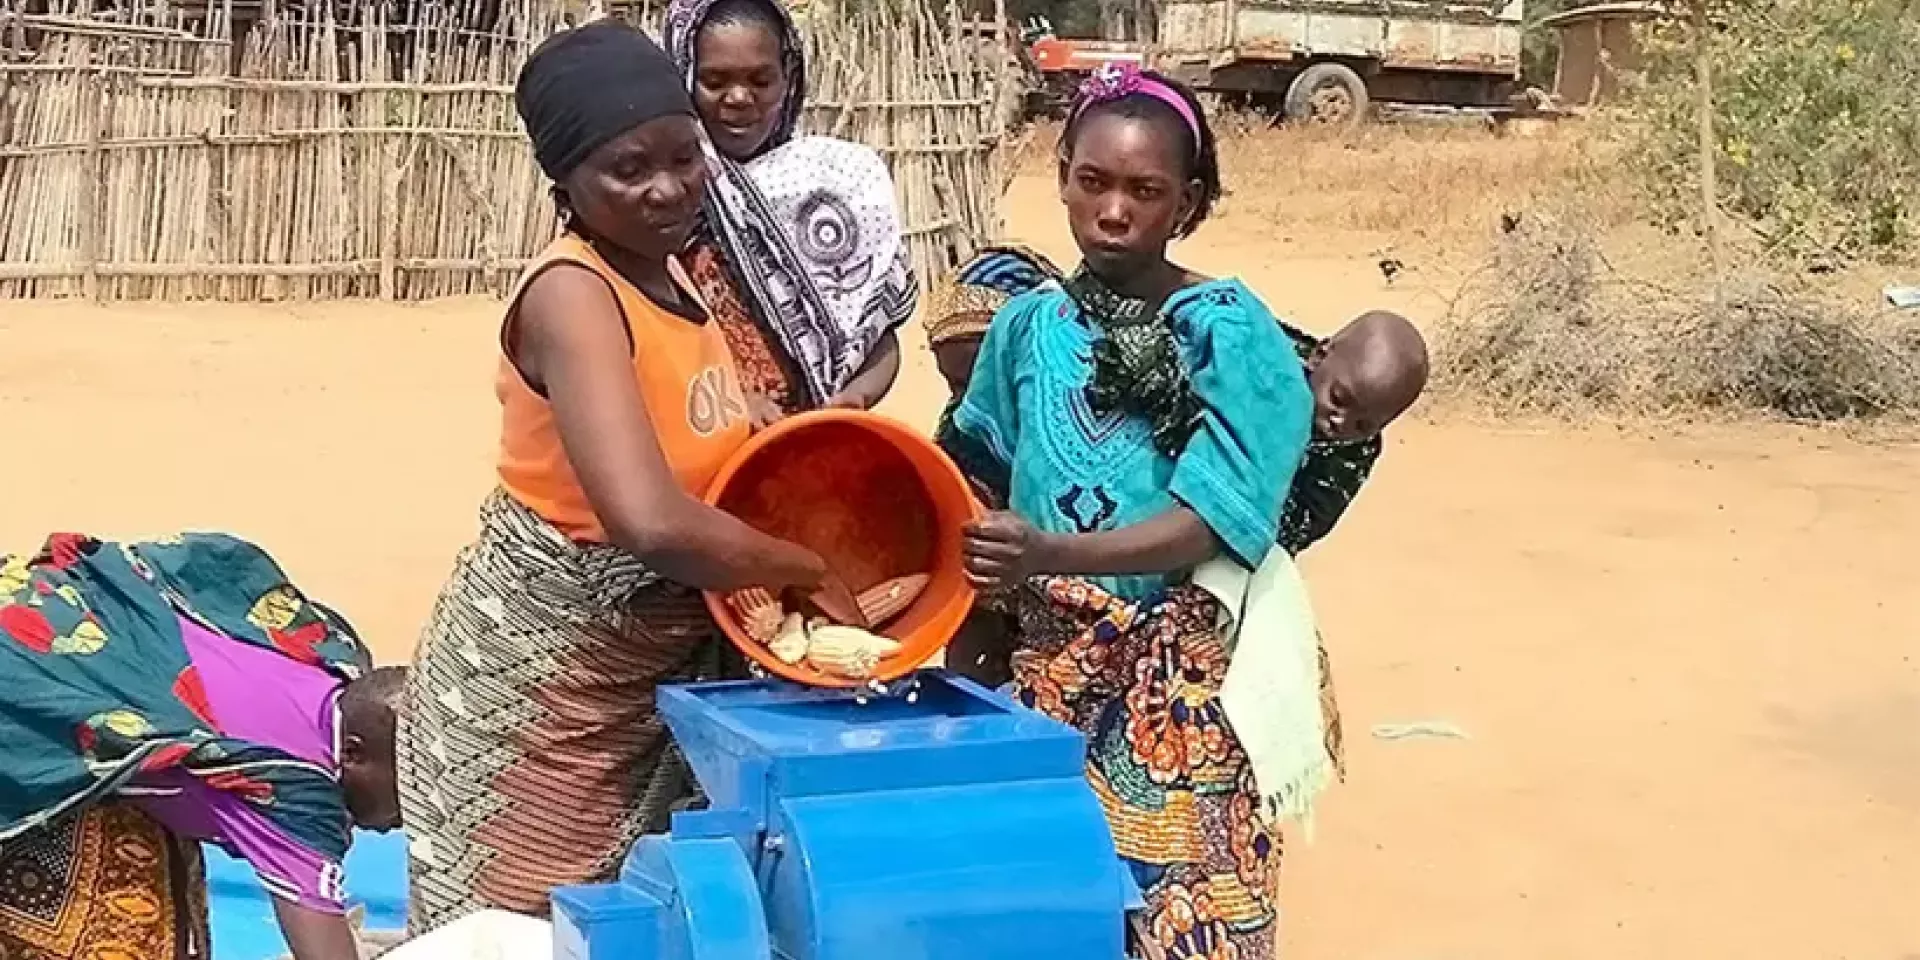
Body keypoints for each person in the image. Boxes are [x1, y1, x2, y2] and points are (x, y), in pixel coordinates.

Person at [935, 65, 1397, 959]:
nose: (1114, 211)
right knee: (1043, 917)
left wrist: (1048, 554)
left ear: (1187, 204)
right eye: (1092, 181)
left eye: (1146, 191)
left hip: (1181, 689)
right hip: (1045, 671)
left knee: (1187, 925)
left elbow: (1219, 522)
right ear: (1062, 172)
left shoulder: (1233, 334)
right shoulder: (1023, 330)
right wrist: (971, 664)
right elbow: (975, 481)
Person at [397, 19, 835, 935]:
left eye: (683, 156)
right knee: (517, 925)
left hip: (633, 683)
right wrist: (807, 567)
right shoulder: (573, 294)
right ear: (566, 187)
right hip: (540, 698)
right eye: (627, 172)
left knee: (618, 923)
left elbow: (686, 414)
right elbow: (646, 520)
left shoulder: (667, 271)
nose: (668, 189)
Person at [0, 532, 404, 960]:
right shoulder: (295, 791)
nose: (404, 817)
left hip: (40, 606)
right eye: (406, 788)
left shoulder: (325, 656)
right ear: (354, 753)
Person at [664, 0, 916, 422]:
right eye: (714, 80)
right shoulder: (663, 199)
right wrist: (729, 401)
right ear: (683, 76)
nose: (740, 98)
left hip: (813, 448)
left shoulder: (839, 184)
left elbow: (880, 342)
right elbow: (644, 345)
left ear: (789, 79)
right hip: (698, 446)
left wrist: (853, 399)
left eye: (761, 80)